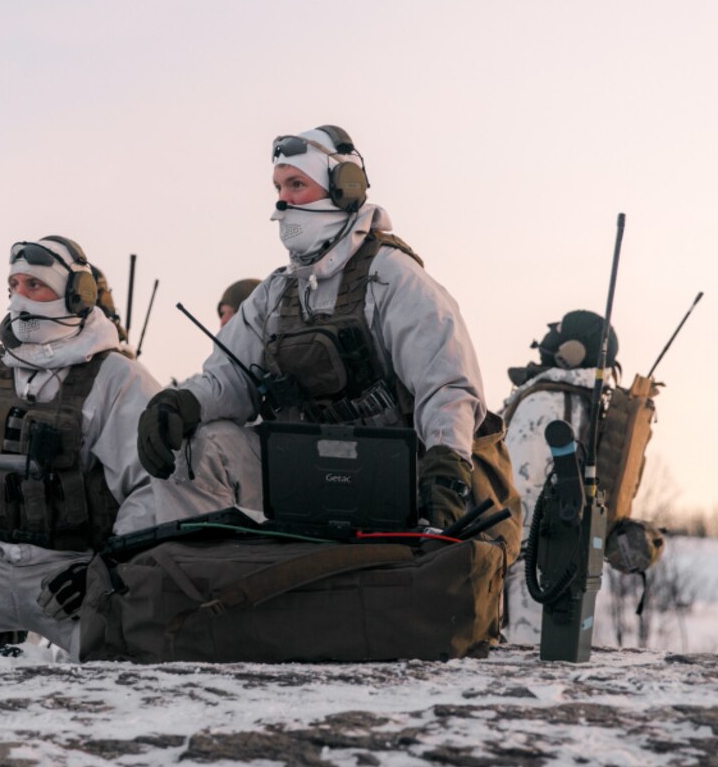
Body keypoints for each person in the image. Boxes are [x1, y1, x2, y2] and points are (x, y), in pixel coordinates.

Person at [0, 236, 258, 656]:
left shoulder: (117, 378)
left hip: (72, 572)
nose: (20, 297)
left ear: (74, 294)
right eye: (14, 285)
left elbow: (153, 485)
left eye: (35, 285)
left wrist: (108, 567)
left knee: (130, 655)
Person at [137, 125, 487, 532]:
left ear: (343, 188)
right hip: (302, 474)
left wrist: (445, 477)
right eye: (278, 187)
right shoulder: (275, 293)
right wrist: (181, 404)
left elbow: (446, 387)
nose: (282, 200)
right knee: (191, 451)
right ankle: (211, 568)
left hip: (398, 480)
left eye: (296, 185)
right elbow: (228, 378)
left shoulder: (392, 276)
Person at [500, 310, 618, 645]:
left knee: (527, 659)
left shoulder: (544, 402)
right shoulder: (582, 400)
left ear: (572, 351)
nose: (549, 335)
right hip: (557, 558)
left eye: (560, 330)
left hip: (529, 563)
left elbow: (514, 489)